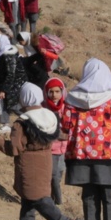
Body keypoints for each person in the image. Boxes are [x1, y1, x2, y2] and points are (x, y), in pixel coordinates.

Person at [0, 83, 84, 220]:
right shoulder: (49, 117)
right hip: (45, 163)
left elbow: (13, 149)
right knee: (28, 201)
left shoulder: (22, 123)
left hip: (28, 167)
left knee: (38, 200)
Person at [62, 58, 111, 220]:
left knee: (89, 197)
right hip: (106, 156)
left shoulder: (71, 99)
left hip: (81, 156)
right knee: (110, 198)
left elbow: (65, 125)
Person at [0, 34, 27, 134]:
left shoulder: (8, 55)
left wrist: (3, 90)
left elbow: (11, 74)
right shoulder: (1, 54)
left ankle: (30, 119)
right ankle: (4, 124)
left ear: (0, 43)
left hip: (14, 84)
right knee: (1, 103)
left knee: (13, 105)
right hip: (7, 84)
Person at [43, 77, 69, 206]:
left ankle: (53, 201)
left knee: (58, 176)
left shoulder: (66, 107)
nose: (54, 95)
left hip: (63, 149)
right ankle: (57, 202)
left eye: (57, 91)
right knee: (53, 176)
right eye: (51, 92)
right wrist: (58, 134)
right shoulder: (44, 108)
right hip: (50, 148)